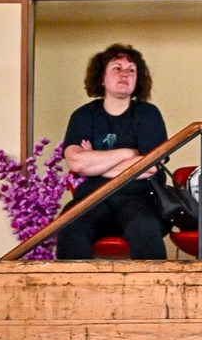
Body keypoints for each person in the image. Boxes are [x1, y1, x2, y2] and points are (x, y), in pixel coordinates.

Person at [57, 43, 170, 260]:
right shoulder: (83, 116)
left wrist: (95, 165)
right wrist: (130, 153)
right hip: (91, 198)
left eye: (131, 70)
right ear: (102, 78)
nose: (124, 74)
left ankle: (153, 284)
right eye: (117, 68)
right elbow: (77, 163)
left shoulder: (148, 114)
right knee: (69, 227)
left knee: (144, 228)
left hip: (139, 198)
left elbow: (150, 167)